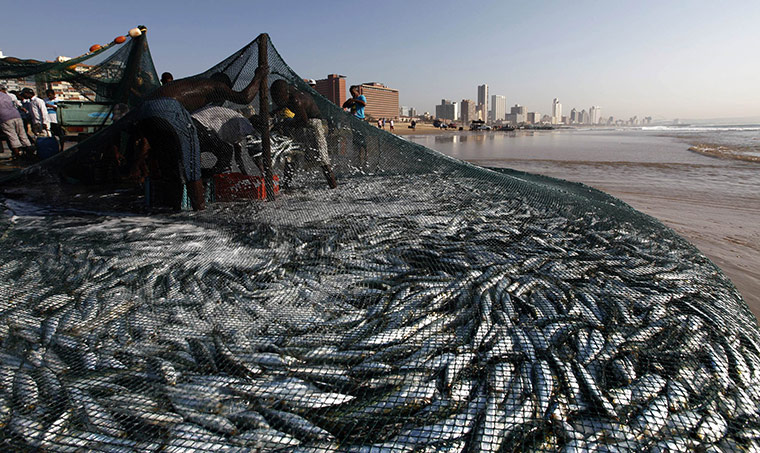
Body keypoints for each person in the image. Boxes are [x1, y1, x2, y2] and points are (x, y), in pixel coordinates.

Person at [270, 79, 337, 189]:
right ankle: (286, 185)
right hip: (300, 121)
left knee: (322, 157)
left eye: (278, 98)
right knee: (291, 154)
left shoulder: (296, 100)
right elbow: (284, 105)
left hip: (313, 123)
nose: (277, 100)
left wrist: (285, 124)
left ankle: (333, 185)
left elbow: (304, 121)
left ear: (285, 94)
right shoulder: (288, 92)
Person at [146, 66, 267, 112]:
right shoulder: (217, 86)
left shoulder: (198, 83)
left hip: (149, 105)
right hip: (166, 108)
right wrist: (258, 77)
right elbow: (245, 98)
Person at [0, 85, 32, 158]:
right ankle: (29, 153)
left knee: (12, 136)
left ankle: (18, 155)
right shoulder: (8, 96)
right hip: (17, 116)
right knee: (23, 134)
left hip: (5, 118)